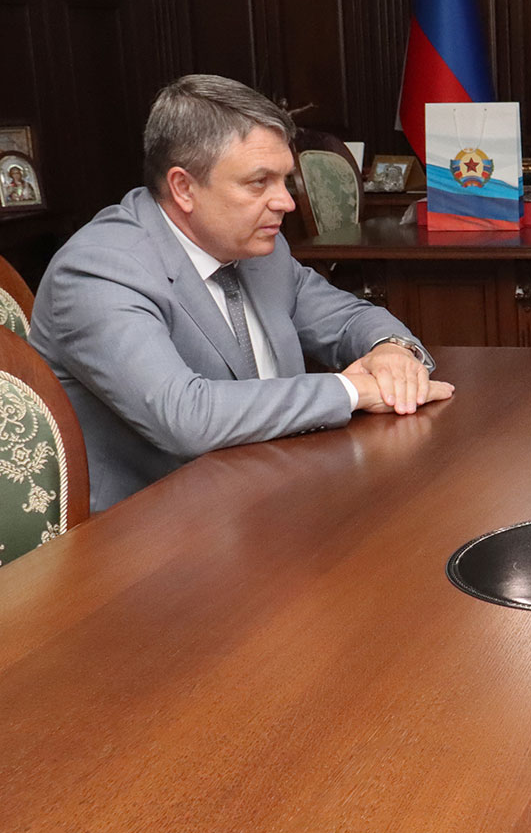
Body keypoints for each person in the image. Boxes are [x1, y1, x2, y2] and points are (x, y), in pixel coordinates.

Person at [32, 74, 453, 511]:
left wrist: (391, 350)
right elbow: (185, 417)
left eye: (285, 180)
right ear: (183, 187)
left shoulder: (257, 248)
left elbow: (348, 319)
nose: (286, 202)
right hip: (147, 527)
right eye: (259, 182)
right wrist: (351, 391)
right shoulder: (99, 270)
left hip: (274, 493)